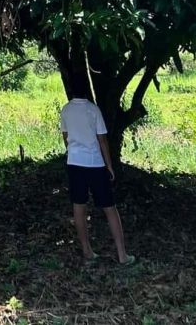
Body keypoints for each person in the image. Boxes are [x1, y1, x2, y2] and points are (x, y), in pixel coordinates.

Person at [60, 72, 134, 266]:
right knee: (110, 208)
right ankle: (122, 254)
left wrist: (72, 150)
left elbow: (65, 136)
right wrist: (109, 165)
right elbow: (102, 140)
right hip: (94, 163)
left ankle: (87, 251)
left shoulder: (66, 110)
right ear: (86, 89)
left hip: (74, 163)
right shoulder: (93, 110)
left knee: (79, 206)